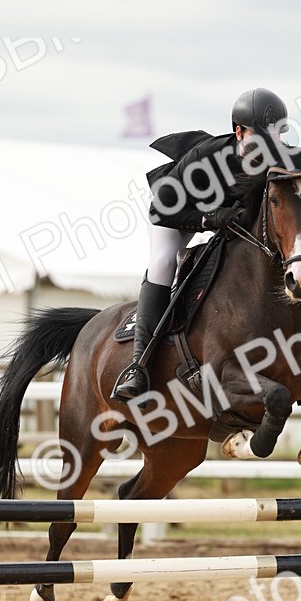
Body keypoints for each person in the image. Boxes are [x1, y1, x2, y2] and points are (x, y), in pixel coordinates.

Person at [111, 87, 289, 401]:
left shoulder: (278, 159)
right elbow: (160, 210)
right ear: (239, 132)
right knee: (164, 261)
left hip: (230, 223)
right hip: (179, 214)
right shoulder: (204, 160)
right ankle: (138, 365)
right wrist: (208, 219)